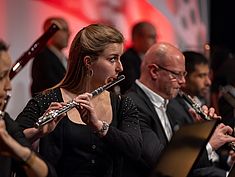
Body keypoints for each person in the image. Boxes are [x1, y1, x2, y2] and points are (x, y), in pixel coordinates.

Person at [16, 24, 142, 177]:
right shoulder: (46, 99)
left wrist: (99, 127)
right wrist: (37, 132)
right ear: (88, 62)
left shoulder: (123, 104)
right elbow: (11, 140)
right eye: (112, 59)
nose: (120, 67)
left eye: (119, 58)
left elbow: (135, 150)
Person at [125, 42, 235, 177]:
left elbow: (181, 156)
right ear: (154, 71)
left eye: (184, 74)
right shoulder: (131, 104)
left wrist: (201, 131)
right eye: (177, 74)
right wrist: (208, 145)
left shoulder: (170, 104)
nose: (183, 81)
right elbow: (163, 165)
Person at [0, 40, 56, 177]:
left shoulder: (4, 121)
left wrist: (17, 149)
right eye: (2, 77)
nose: (9, 86)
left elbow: (48, 173)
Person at [31, 17, 70, 96]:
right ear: (51, 32)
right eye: (64, 30)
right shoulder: (42, 58)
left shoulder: (66, 59)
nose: (69, 34)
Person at [118, 21, 157, 94]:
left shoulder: (155, 59)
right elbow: (132, 86)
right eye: (151, 37)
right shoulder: (126, 60)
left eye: (155, 37)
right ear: (137, 38)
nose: (155, 41)